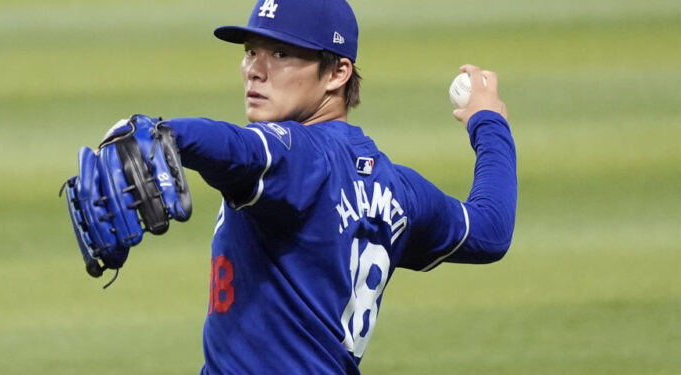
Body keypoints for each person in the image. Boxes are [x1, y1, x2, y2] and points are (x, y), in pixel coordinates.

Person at [139, 0, 515, 373]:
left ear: (337, 72)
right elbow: (490, 228)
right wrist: (488, 123)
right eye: (251, 51)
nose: (255, 70)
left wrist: (161, 134)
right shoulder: (400, 190)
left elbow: (235, 146)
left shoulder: (297, 156)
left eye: (281, 53)